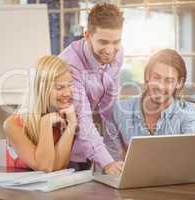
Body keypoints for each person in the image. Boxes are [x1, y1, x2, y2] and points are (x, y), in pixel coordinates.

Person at [104, 49, 195, 166]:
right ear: (147, 76)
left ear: (179, 83)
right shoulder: (119, 110)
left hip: (173, 182)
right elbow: (110, 161)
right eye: (156, 77)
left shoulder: (187, 111)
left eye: (169, 80)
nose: (160, 86)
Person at [59, 3, 124, 174]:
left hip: (88, 146)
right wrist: (108, 163)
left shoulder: (118, 53)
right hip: (61, 146)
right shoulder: (71, 64)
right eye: (103, 42)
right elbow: (82, 118)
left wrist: (117, 150)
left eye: (116, 42)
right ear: (87, 36)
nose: (110, 50)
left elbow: (109, 108)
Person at [3, 55, 77, 172]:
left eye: (70, 85)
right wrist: (45, 123)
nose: (67, 93)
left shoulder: (66, 118)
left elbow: (57, 167)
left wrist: (72, 124)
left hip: (53, 189)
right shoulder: (12, 124)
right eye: (59, 87)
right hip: (17, 190)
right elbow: (45, 167)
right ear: (40, 89)